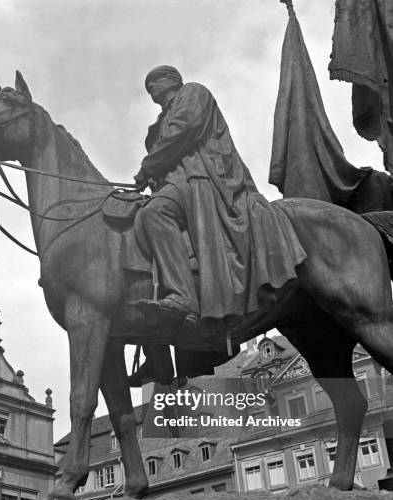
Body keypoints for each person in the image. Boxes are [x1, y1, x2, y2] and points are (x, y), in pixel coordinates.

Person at [129, 65, 306, 385]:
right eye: (148, 86)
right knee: (135, 234)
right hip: (180, 183)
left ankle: (182, 297)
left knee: (154, 214)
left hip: (205, 177)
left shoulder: (192, 93)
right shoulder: (158, 122)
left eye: (155, 81)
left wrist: (147, 167)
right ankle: (156, 351)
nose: (152, 89)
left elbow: (183, 131)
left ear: (172, 80)